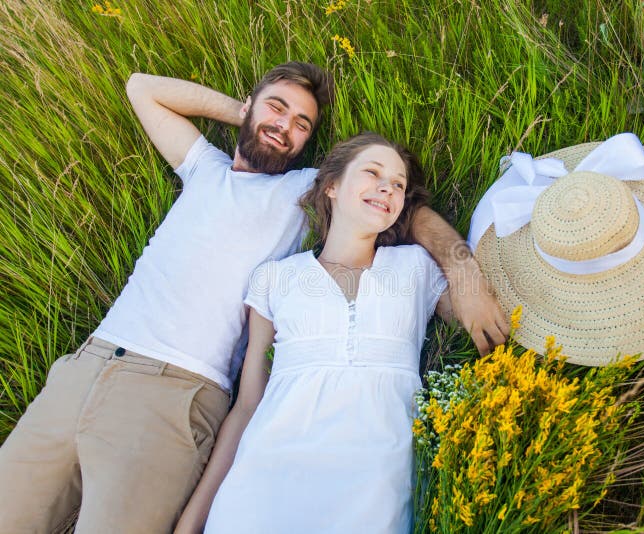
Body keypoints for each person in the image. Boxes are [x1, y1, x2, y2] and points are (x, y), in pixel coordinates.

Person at [0, 63, 507, 533]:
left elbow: (407, 212)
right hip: (88, 365)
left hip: (172, 389)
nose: (285, 126)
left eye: (302, 125)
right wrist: (244, 113)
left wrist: (464, 274)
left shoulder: (305, 190)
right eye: (276, 108)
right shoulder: (204, 169)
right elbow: (142, 88)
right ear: (249, 104)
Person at [176, 132, 450, 533]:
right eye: (372, 172)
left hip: (373, 497)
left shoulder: (416, 268)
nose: (386, 187)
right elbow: (248, 405)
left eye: (398, 185)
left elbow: (491, 315)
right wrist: (190, 523)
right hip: (262, 491)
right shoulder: (276, 278)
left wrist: (460, 261)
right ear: (332, 186)